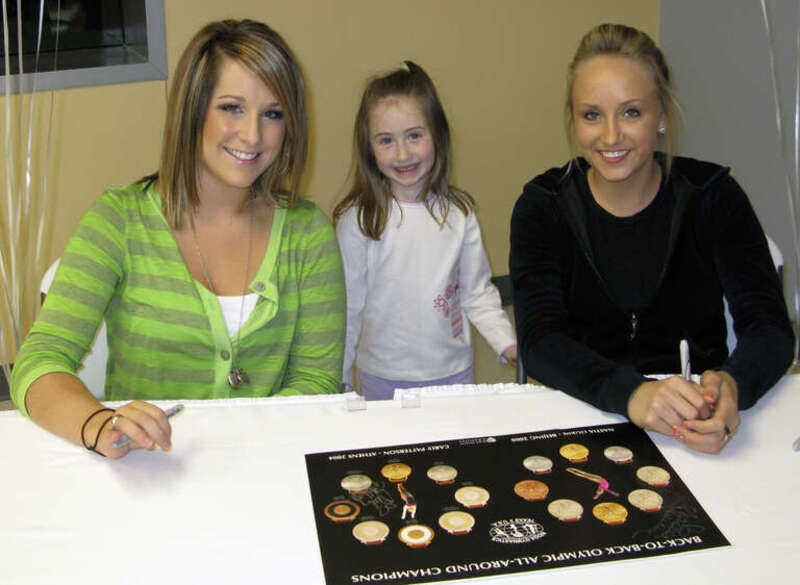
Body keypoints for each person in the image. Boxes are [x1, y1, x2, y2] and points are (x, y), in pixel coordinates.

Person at [10, 20, 345, 458]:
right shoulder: (119, 219)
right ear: (194, 110)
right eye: (231, 107)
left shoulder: (308, 232)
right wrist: (100, 425)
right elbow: (40, 363)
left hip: (266, 464)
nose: (252, 136)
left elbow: (316, 382)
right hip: (146, 469)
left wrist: (234, 447)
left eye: (273, 114)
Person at [510, 23, 794, 454]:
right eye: (591, 115)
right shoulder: (542, 207)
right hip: (586, 419)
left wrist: (735, 385)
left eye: (631, 112)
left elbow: (770, 328)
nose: (609, 136)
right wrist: (631, 393)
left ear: (661, 115)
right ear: (573, 118)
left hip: (696, 428)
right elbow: (540, 342)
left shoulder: (713, 196)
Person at [333, 61, 517, 400]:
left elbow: (477, 293)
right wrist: (341, 377)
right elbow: (348, 309)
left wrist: (508, 343)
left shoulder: (459, 214)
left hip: (452, 375)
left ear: (438, 135)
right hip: (380, 378)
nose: (402, 154)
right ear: (368, 148)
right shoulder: (359, 220)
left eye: (414, 136)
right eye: (386, 140)